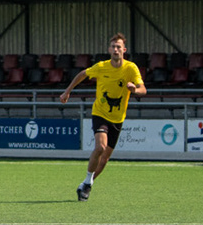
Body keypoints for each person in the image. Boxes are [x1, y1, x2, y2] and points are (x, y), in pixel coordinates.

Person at [58, 33, 146, 201]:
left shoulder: (131, 68)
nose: (115, 49)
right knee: (100, 147)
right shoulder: (101, 67)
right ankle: (87, 183)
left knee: (104, 159)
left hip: (118, 118)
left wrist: (134, 89)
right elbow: (83, 74)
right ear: (109, 49)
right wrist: (67, 91)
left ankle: (86, 184)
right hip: (100, 113)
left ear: (124, 50)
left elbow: (143, 90)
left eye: (118, 47)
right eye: (113, 47)